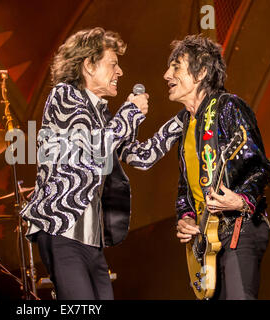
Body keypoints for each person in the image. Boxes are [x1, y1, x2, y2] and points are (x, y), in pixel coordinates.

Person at [20, 27, 183, 300]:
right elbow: (92, 150)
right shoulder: (64, 96)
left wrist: (182, 121)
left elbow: (141, 157)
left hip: (92, 243)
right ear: (88, 65)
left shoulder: (102, 114)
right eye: (113, 64)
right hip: (63, 231)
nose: (120, 72)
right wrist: (130, 112)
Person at [167, 35, 270, 299]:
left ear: (201, 71)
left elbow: (261, 167)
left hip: (238, 227)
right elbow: (185, 188)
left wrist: (241, 200)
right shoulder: (185, 125)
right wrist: (186, 217)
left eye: (176, 66)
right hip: (206, 242)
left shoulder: (228, 107)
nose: (166, 74)